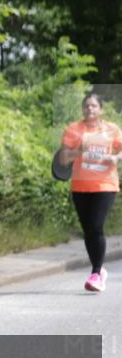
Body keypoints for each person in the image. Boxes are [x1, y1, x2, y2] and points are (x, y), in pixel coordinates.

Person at [59, 92, 121, 292]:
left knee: (96, 226)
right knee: (88, 231)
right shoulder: (73, 130)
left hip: (105, 184)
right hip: (80, 185)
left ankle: (96, 272)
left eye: (94, 106)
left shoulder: (112, 129)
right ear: (82, 109)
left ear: (100, 109)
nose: (90, 109)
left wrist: (117, 158)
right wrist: (79, 151)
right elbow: (62, 159)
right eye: (86, 106)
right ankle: (99, 271)